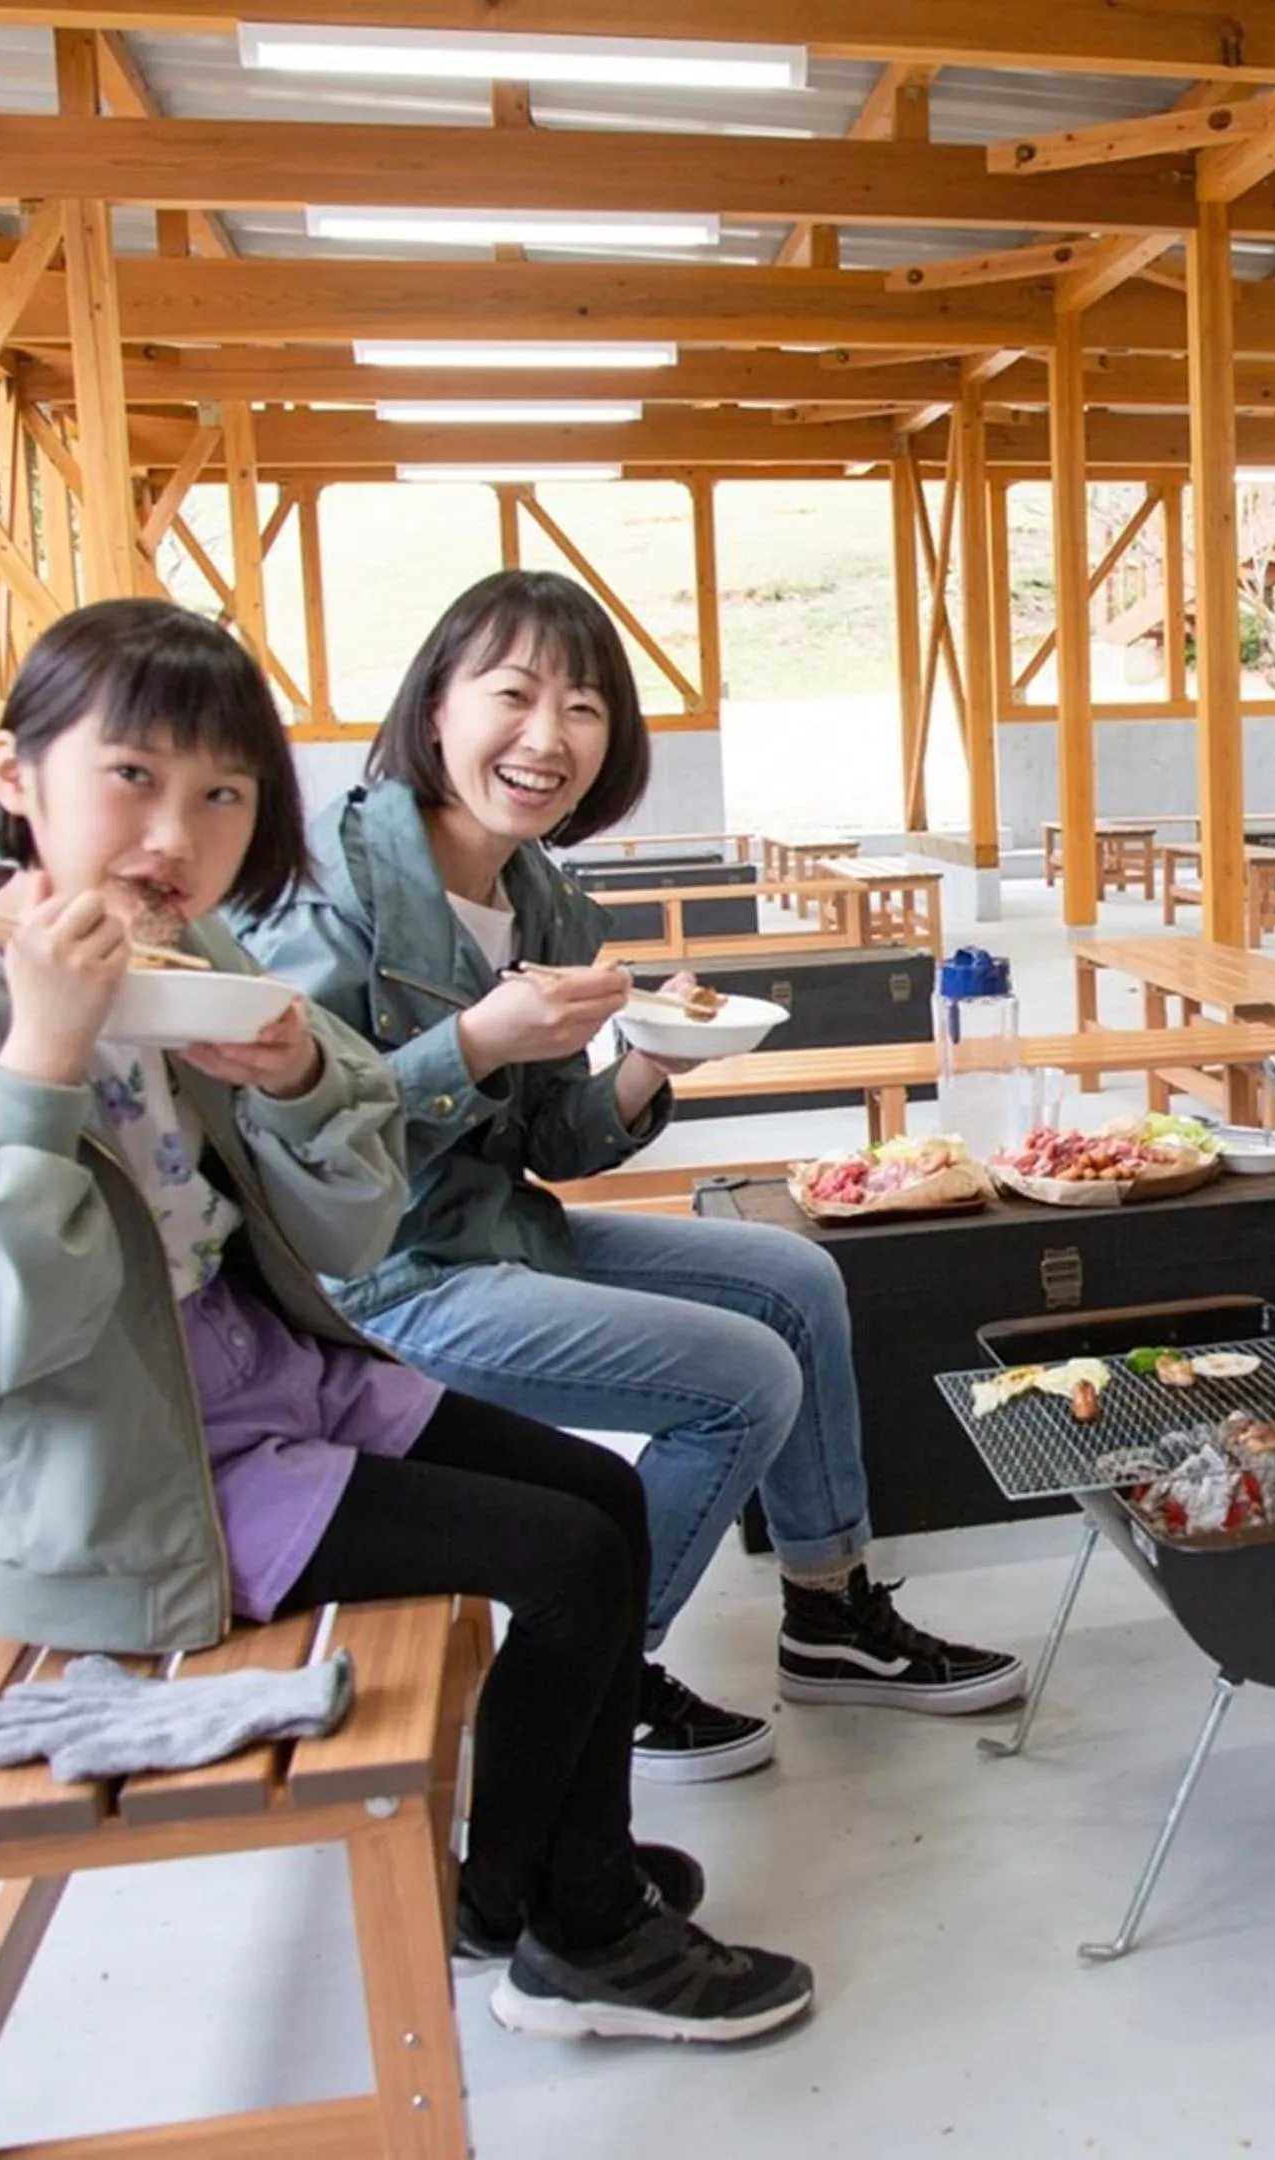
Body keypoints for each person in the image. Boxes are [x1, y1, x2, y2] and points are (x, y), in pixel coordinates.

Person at [0, 599, 810, 2046]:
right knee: (565, 1558)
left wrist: (312, 1082)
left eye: (223, 795)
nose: (175, 838)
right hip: (124, 1471)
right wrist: (41, 1068)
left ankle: (518, 1883)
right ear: (18, 774)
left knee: (599, 1498)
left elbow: (339, 1236)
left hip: (279, 1379)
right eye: (131, 778)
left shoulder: (191, 974)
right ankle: (580, 1931)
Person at [242, 570, 1023, 1783]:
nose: (548, 738)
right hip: (383, 1279)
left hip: (504, 1232)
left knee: (796, 1278)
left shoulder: (539, 890)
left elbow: (554, 1142)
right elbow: (287, 1166)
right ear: (435, 708)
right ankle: (594, 1672)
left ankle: (829, 1613)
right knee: (741, 1378)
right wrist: (475, 1044)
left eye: (586, 708)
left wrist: (649, 1065)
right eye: (514, 694)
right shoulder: (328, 901)